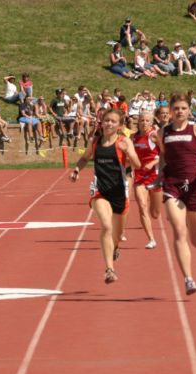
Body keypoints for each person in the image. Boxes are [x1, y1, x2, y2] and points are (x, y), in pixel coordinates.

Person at [156, 93, 196, 295]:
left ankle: (193, 249)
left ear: (188, 110)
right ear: (170, 111)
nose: (179, 111)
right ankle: (188, 279)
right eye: (176, 108)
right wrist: (159, 177)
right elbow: (163, 158)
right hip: (172, 185)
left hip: (195, 186)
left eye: (183, 108)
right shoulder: (163, 132)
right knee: (179, 230)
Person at [67, 109, 141, 283]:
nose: (108, 123)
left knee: (117, 233)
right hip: (100, 190)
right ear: (101, 122)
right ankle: (109, 270)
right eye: (106, 120)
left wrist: (128, 153)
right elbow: (85, 158)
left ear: (120, 125)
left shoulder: (124, 141)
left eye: (113, 121)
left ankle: (115, 246)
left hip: (119, 193)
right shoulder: (95, 141)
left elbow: (137, 164)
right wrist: (77, 169)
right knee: (106, 226)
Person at [131, 111, 162, 249]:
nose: (144, 123)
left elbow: (166, 154)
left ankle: (154, 212)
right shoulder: (133, 137)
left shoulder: (154, 135)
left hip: (154, 176)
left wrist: (153, 162)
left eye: (147, 121)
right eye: (142, 120)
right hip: (139, 176)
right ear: (138, 122)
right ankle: (151, 239)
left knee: (155, 213)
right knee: (142, 207)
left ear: (151, 122)